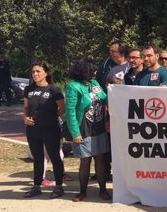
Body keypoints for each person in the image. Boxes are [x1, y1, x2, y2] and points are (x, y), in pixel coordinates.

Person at [65, 60, 112, 202]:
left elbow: (105, 99)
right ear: (84, 71)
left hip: (99, 127)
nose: (96, 73)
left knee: (100, 160)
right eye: (93, 70)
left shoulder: (95, 84)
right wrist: (75, 133)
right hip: (83, 128)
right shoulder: (73, 87)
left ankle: (102, 190)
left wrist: (112, 90)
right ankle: (82, 192)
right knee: (85, 161)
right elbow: (70, 112)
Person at [22, 61, 65, 198]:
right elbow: (26, 108)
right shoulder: (28, 89)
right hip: (33, 129)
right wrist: (25, 118)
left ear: (46, 73)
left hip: (51, 129)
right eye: (33, 71)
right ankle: (36, 186)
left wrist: (50, 117)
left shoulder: (54, 90)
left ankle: (58, 187)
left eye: (38, 71)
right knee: (38, 158)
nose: (35, 74)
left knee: (55, 157)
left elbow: (62, 108)